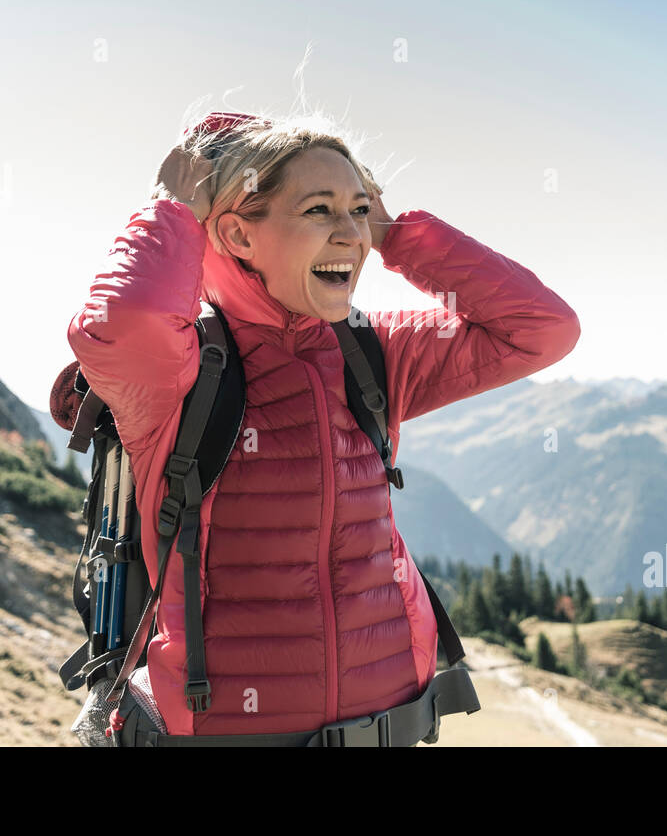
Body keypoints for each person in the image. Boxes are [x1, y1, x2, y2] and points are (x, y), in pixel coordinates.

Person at [63, 110, 581, 742]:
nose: (350, 236)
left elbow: (541, 328)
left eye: (358, 209)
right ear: (238, 234)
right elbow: (125, 321)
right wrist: (170, 207)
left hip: (396, 726)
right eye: (318, 210)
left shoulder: (373, 351)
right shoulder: (180, 371)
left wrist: (395, 233)